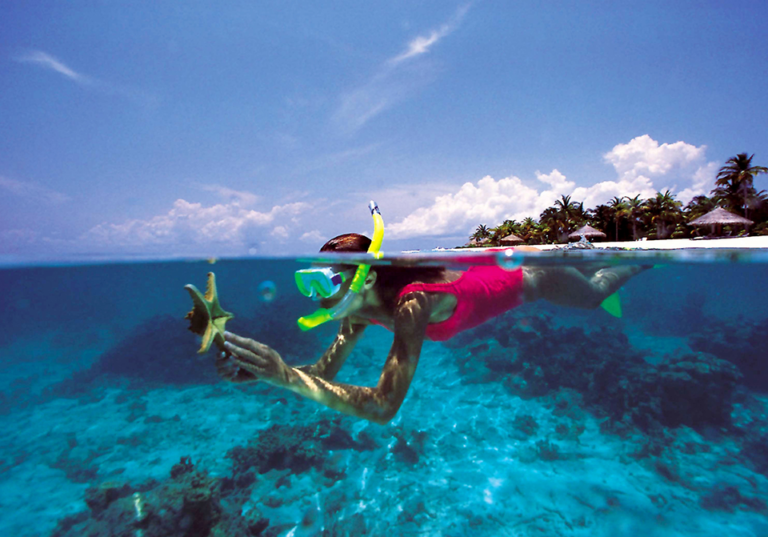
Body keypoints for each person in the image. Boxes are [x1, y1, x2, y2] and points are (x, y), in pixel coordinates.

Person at [217, 229, 645, 425]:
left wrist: (286, 377)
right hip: (508, 280)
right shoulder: (358, 310)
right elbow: (325, 371)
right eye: (308, 284)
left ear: (364, 275)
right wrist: (262, 375)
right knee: (593, 295)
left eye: (324, 283)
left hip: (537, 278)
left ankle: (633, 259)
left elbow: (384, 408)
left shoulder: (412, 303)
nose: (319, 298)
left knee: (592, 296)